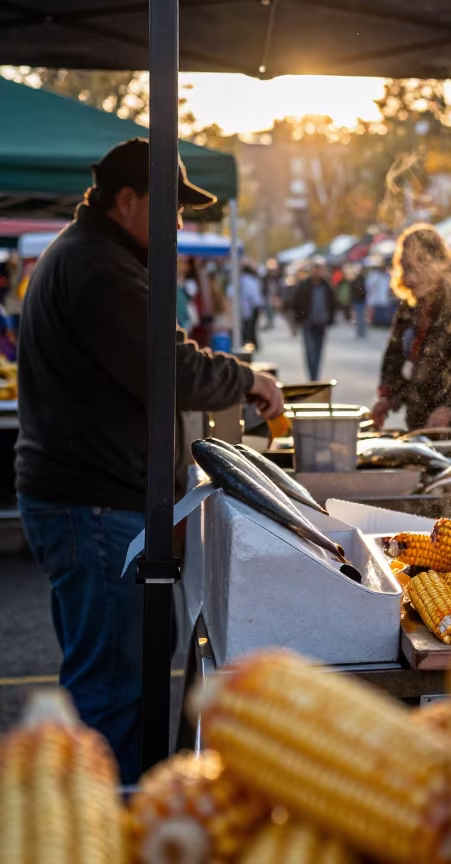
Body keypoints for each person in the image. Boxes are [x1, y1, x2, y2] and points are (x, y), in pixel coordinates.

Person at [15, 138, 283, 782]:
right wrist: (248, 380)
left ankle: (105, 813)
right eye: (172, 209)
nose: (180, 226)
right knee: (114, 684)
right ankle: (106, 824)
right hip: (95, 504)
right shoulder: (98, 268)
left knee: (119, 673)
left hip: (92, 500)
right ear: (126, 201)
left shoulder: (95, 257)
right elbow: (171, 368)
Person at [371, 224, 451, 438]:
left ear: (436, 263)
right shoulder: (409, 307)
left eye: (414, 268)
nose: (408, 279)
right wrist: (386, 396)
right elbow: (394, 357)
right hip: (420, 419)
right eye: (404, 268)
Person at [293, 261, 336, 381]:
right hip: (308, 323)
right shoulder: (304, 285)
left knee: (318, 351)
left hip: (321, 323)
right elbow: (297, 303)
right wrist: (299, 319)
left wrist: (330, 319)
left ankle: (315, 375)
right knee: (310, 351)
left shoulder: (326, 286)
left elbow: (332, 303)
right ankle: (312, 376)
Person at [237, 263, 264, 350]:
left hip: (250, 306)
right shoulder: (252, 279)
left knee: (250, 327)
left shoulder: (245, 280)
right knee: (252, 327)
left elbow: (250, 294)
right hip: (253, 305)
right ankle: (253, 344)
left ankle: (250, 344)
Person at [348, 264, 368, 339]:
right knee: (359, 317)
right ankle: (360, 332)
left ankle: (362, 332)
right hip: (357, 300)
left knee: (361, 316)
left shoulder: (362, 280)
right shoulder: (355, 281)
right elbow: (353, 290)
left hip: (361, 300)